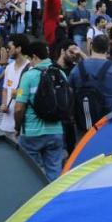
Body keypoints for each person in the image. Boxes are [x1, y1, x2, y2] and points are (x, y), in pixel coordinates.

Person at [15, 40, 67, 181]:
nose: (29, 62)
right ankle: (54, 201)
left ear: (34, 57)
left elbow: (19, 107)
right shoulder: (61, 73)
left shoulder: (27, 76)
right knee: (55, 174)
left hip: (31, 133)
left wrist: (17, 126)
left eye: (29, 58)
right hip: (56, 131)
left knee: (32, 175)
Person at [69, 34, 112, 121]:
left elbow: (70, 93)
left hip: (85, 120)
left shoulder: (77, 68)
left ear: (91, 46)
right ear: (108, 49)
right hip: (111, 119)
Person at [0, 33, 30, 135]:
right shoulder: (9, 67)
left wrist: (19, 94)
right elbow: (5, 89)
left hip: (21, 125)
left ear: (19, 49)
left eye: (9, 47)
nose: (7, 50)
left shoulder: (30, 68)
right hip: (6, 123)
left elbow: (29, 93)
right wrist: (3, 104)